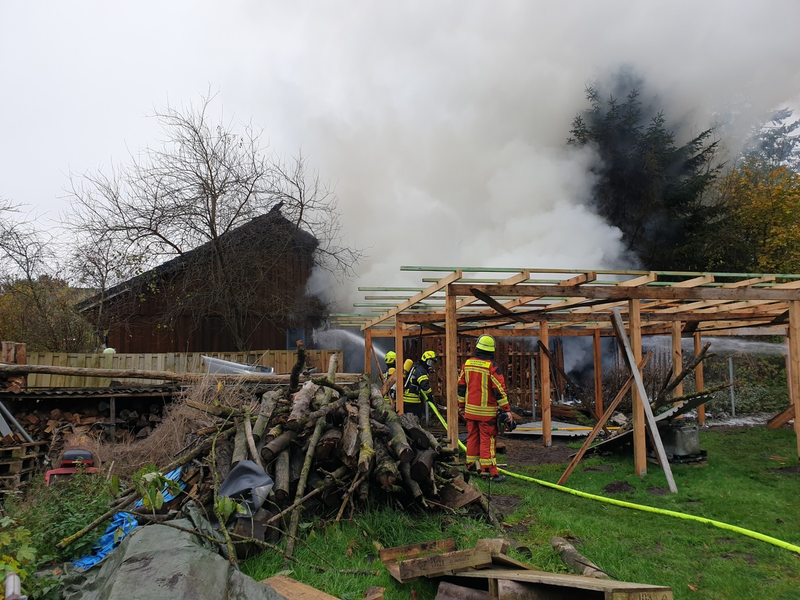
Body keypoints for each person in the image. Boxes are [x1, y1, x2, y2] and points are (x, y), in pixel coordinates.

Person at [457, 335, 513, 483]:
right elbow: (499, 391)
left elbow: (461, 387)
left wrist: (461, 406)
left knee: (472, 439)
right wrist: (506, 410)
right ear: (491, 350)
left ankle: (471, 467)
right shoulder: (491, 367)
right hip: (487, 415)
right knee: (487, 442)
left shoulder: (467, 364)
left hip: (470, 412)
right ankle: (489, 472)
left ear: (477, 347)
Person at [402, 350, 438, 418]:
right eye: (430, 362)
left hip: (406, 400)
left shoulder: (417, 368)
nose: (431, 365)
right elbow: (424, 385)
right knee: (415, 420)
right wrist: (430, 396)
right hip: (412, 401)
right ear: (426, 361)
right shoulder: (421, 370)